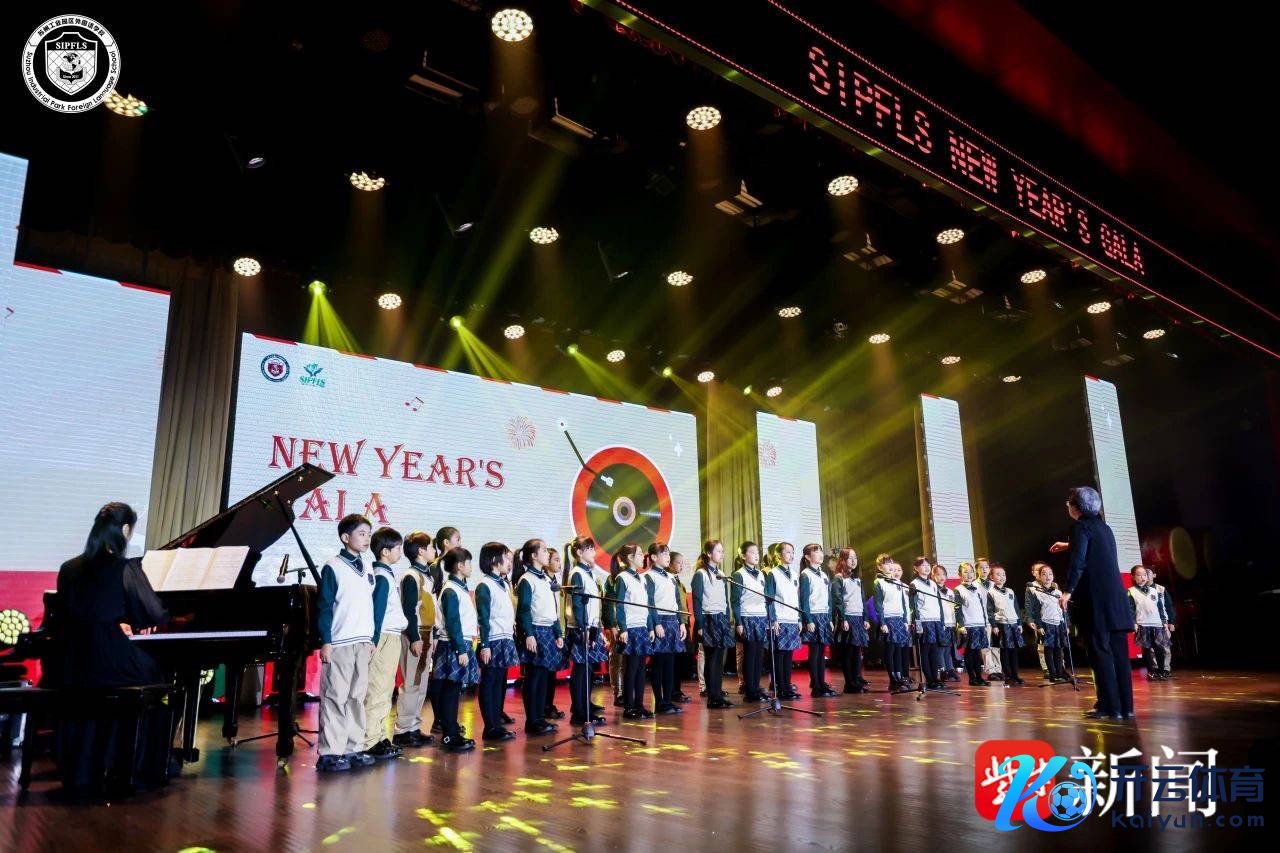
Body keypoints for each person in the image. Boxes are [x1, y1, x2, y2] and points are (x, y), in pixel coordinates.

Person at [47, 502, 174, 793]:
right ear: (125, 530)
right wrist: (130, 621)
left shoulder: (69, 568)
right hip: (107, 659)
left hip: (72, 660)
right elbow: (155, 614)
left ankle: (86, 764)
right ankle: (139, 764)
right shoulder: (124, 567)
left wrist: (114, 621)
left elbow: (72, 614)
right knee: (156, 674)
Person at [1052, 486, 1136, 720]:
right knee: (1119, 656)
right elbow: (1096, 551)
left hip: (1095, 601)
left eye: (1069, 503)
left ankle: (1109, 707)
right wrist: (1069, 544)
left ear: (1076, 507)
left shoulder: (1079, 527)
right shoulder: (1104, 528)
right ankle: (1125, 707)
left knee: (1100, 653)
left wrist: (1068, 591)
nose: (1068, 507)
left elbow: (1078, 562)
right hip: (1116, 600)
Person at [316, 514, 377, 772]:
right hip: (340, 641)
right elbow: (324, 606)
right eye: (361, 533)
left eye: (369, 534)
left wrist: (371, 638)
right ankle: (330, 752)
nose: (366, 538)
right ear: (345, 537)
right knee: (335, 696)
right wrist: (326, 641)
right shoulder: (333, 566)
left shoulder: (368, 566)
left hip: (362, 641)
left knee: (356, 696)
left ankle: (354, 747)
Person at [362, 527, 407, 760]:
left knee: (386, 688)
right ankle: (370, 740)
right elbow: (377, 612)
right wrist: (374, 639)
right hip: (384, 637)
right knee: (378, 689)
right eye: (398, 548)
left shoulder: (386, 574)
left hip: (391, 636)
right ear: (385, 551)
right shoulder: (381, 576)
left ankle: (379, 736)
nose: (400, 551)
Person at [392, 531, 437, 748]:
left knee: (421, 684)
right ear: (420, 551)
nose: (434, 551)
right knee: (411, 684)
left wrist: (432, 635)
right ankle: (403, 730)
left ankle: (414, 727)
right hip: (416, 633)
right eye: (431, 547)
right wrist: (414, 637)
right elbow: (409, 610)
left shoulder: (426, 575)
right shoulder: (411, 576)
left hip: (426, 633)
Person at [516, 539, 564, 735]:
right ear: (534, 556)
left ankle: (540, 717)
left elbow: (553, 609)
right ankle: (532, 720)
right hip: (535, 631)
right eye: (544, 550)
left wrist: (558, 632)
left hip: (548, 630)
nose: (547, 553)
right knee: (534, 676)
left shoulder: (545, 578)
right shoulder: (527, 579)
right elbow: (524, 611)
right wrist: (529, 634)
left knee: (544, 676)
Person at [434, 546, 479, 752]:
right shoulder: (451, 590)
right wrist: (461, 650)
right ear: (460, 566)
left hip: (460, 644)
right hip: (453, 645)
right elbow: (453, 622)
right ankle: (449, 734)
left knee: (454, 689)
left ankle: (451, 731)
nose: (471, 567)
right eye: (468, 563)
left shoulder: (459, 587)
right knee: (450, 690)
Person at [475, 542, 519, 741]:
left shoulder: (502, 584)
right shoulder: (485, 585)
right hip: (492, 640)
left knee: (500, 682)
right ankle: (490, 727)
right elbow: (483, 618)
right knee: (490, 682)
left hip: (504, 638)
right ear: (494, 560)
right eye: (505, 557)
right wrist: (484, 645)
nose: (509, 562)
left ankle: (497, 723)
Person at [563, 537, 608, 726]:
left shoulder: (588, 573)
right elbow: (578, 605)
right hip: (581, 628)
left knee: (588, 671)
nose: (594, 553)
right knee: (580, 671)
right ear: (580, 553)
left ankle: (585, 708)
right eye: (590, 549)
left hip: (591, 626)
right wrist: (584, 629)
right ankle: (579, 713)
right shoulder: (577, 573)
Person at [426, 526, 462, 737]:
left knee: (450, 677)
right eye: (457, 539)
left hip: (451, 629)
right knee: (439, 676)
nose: (460, 543)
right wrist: (434, 632)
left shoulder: (456, 568)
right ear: (446, 543)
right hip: (439, 629)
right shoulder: (435, 567)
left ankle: (448, 719)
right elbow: (433, 599)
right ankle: (439, 719)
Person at [644, 543, 687, 714]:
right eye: (664, 553)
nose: (668, 557)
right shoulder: (649, 576)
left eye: (669, 553)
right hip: (659, 620)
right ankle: (660, 702)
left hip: (672, 620)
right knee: (659, 664)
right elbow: (650, 603)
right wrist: (656, 624)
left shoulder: (670, 577)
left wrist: (681, 622)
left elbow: (677, 602)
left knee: (670, 664)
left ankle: (668, 700)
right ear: (654, 557)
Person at [613, 543, 654, 719]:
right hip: (630, 628)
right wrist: (623, 628)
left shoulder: (642, 578)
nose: (642, 557)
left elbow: (647, 605)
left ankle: (639, 704)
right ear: (630, 558)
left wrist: (650, 627)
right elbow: (619, 605)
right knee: (631, 668)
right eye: (639, 554)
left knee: (641, 668)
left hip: (642, 627)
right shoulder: (622, 578)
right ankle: (629, 706)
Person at [691, 540, 734, 708]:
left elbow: (725, 600)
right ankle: (712, 696)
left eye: (723, 551)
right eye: (718, 551)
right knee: (711, 659)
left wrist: (727, 618)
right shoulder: (700, 574)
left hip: (721, 618)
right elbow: (697, 601)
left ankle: (718, 693)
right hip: (708, 618)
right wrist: (700, 625)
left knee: (719, 660)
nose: (722, 554)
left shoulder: (721, 573)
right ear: (709, 553)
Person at [731, 542, 770, 703]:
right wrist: (739, 623)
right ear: (743, 555)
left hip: (761, 617)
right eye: (752, 552)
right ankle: (750, 691)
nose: (756, 555)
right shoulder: (738, 574)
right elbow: (735, 601)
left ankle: (756, 687)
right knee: (750, 655)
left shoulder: (761, 574)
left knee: (759, 655)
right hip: (747, 618)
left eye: (757, 552)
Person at [799, 544, 837, 698]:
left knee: (821, 652)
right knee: (814, 652)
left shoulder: (824, 574)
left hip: (823, 615)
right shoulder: (805, 575)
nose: (821, 554)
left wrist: (829, 619)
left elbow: (828, 599)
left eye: (821, 551)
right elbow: (804, 600)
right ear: (808, 557)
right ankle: (816, 685)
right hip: (813, 616)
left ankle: (822, 683)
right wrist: (808, 620)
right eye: (816, 552)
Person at [764, 542, 802, 700]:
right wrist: (773, 619)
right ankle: (780, 688)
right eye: (787, 552)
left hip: (792, 618)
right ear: (779, 555)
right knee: (779, 655)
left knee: (788, 655)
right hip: (780, 619)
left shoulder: (795, 574)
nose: (791, 555)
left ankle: (787, 686)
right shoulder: (773, 574)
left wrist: (799, 618)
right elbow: (769, 599)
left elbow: (796, 598)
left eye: (792, 552)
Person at [1025, 562, 1070, 684]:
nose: (1047, 576)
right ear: (1039, 576)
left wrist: (1066, 625)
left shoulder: (1058, 593)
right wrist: (1039, 626)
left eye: (1050, 574)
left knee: (1058, 649)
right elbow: (1035, 611)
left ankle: (1060, 672)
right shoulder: (1037, 592)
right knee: (1048, 650)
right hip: (1046, 624)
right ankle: (1052, 674)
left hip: (1058, 624)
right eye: (1044, 574)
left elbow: (1063, 611)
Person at [833, 548, 870, 693]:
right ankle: (850, 684)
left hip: (858, 617)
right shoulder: (838, 578)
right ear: (842, 560)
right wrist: (843, 619)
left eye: (855, 558)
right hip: (847, 617)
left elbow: (862, 599)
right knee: (848, 652)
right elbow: (838, 600)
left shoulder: (857, 579)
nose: (853, 561)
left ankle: (856, 680)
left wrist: (865, 618)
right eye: (850, 558)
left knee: (857, 652)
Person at [874, 555, 912, 692]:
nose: (890, 566)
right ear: (880, 567)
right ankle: (893, 680)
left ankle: (900, 677)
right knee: (890, 651)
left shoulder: (897, 582)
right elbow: (878, 604)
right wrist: (882, 622)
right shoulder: (879, 582)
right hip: (888, 619)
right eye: (886, 564)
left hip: (899, 618)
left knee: (899, 651)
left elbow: (903, 603)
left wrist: (905, 620)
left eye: (891, 563)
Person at [1128, 565, 1173, 681]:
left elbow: (1160, 608)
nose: (1142, 577)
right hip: (1143, 623)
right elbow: (1130, 609)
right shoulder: (1131, 591)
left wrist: (1164, 622)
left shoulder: (1154, 590)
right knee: (1147, 649)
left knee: (1159, 648)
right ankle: (1152, 671)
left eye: (1144, 575)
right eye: (1139, 575)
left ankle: (1162, 671)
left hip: (1157, 623)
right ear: (1133, 577)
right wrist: (1134, 622)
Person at [909, 556, 946, 690]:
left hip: (936, 620)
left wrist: (942, 620)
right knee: (925, 652)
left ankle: (935, 678)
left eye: (927, 565)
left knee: (935, 652)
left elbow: (939, 603)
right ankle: (929, 680)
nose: (926, 567)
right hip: (924, 621)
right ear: (916, 568)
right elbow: (913, 606)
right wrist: (917, 623)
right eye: (923, 565)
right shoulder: (914, 584)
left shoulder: (933, 583)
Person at [954, 562, 992, 687]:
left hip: (979, 623)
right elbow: (957, 609)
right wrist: (961, 625)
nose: (969, 574)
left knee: (978, 652)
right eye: (965, 572)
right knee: (970, 652)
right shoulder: (958, 589)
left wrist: (985, 623)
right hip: (968, 625)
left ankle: (979, 678)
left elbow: (981, 607)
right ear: (960, 574)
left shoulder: (977, 589)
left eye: (971, 571)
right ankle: (972, 678)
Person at [986, 565, 1025, 686]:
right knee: (1005, 652)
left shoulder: (1010, 591)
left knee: (1014, 651)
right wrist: (994, 626)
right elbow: (990, 612)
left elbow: (1016, 608)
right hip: (1001, 624)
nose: (1001, 577)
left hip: (1013, 624)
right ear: (991, 577)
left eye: (1003, 574)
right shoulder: (991, 592)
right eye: (998, 574)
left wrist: (1019, 623)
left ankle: (1015, 675)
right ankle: (1008, 676)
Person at [975, 557, 1003, 681]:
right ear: (976, 570)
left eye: (986, 567)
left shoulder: (993, 584)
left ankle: (998, 669)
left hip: (996, 620)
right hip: (983, 620)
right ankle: (990, 670)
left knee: (996, 646)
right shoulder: (974, 585)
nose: (984, 569)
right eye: (981, 567)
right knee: (986, 646)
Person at [932, 564, 961, 682]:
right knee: (940, 648)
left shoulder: (950, 591)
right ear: (933, 576)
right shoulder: (932, 590)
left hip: (950, 623)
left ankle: (950, 670)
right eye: (938, 574)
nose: (941, 577)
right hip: (940, 623)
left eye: (943, 574)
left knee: (948, 648)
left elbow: (953, 607)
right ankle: (942, 670)